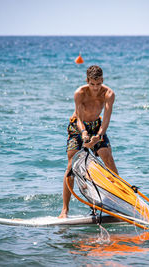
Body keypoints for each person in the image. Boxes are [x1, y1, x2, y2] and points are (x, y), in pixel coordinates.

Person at [59, 65, 118, 218]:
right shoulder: (80, 93)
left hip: (97, 126)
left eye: (98, 84)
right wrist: (84, 134)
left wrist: (98, 135)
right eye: (92, 84)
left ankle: (118, 201)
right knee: (71, 166)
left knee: (108, 158)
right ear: (87, 81)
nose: (96, 88)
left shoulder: (109, 94)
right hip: (77, 127)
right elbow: (79, 118)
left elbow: (106, 119)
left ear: (102, 80)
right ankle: (65, 210)